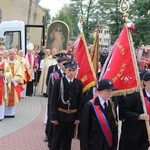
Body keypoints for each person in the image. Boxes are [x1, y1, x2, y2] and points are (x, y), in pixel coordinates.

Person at [50, 60, 83, 150]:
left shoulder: (78, 84)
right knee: (57, 138)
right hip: (60, 114)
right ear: (65, 70)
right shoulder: (58, 82)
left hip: (72, 116)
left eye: (73, 70)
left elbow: (80, 102)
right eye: (69, 70)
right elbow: (53, 100)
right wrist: (53, 117)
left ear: (76, 71)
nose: (71, 73)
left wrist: (78, 117)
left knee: (68, 138)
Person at [81, 79, 118, 150]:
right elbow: (84, 131)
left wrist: (114, 146)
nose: (110, 93)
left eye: (111, 90)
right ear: (100, 91)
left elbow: (114, 128)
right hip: (93, 146)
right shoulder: (90, 106)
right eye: (107, 90)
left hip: (107, 145)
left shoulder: (112, 105)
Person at [118, 71, 150, 150]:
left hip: (146, 138)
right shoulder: (135, 95)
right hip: (132, 138)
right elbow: (124, 112)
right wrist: (139, 116)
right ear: (145, 82)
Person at [5, 49, 23, 117]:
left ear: (15, 55)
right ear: (8, 54)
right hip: (6, 83)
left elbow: (19, 73)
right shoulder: (5, 62)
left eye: (13, 54)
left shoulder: (18, 63)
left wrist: (13, 80)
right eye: (10, 54)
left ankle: (11, 113)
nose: (12, 55)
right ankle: (4, 113)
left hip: (13, 83)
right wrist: (7, 79)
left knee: (13, 97)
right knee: (5, 96)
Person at [0, 50, 12, 121]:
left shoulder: (6, 64)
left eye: (1, 54)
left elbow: (9, 73)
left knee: (1, 99)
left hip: (2, 84)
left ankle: (0, 116)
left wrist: (4, 75)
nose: (0, 56)